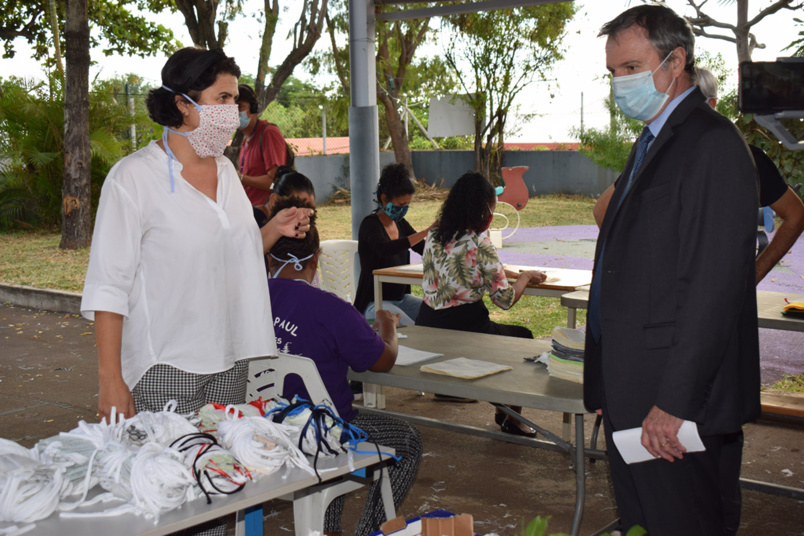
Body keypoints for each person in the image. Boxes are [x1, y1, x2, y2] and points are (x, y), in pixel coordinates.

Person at [584, 6, 760, 535]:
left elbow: (713, 288)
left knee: (684, 524)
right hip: (635, 391)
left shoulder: (712, 144)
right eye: (613, 73)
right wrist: (609, 386)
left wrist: (674, 402)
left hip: (676, 404)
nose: (621, 84)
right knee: (644, 524)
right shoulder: (652, 140)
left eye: (632, 68)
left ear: (675, 60)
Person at [81, 47, 311, 424]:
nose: (233, 111)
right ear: (183, 105)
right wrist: (110, 380)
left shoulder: (226, 173)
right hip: (167, 366)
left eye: (235, 99)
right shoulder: (133, 178)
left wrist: (274, 228)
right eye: (222, 98)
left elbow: (240, 255)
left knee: (221, 473)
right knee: (171, 475)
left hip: (232, 359)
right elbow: (109, 285)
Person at [266, 197, 422, 536]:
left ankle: (329, 527)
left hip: (266, 425)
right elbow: (382, 361)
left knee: (329, 418)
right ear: (317, 257)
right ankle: (369, 531)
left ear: (268, 254)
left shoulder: (251, 296)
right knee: (406, 441)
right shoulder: (330, 307)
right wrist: (387, 326)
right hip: (322, 432)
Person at [416, 171, 547, 436]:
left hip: (427, 324)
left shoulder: (435, 234)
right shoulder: (481, 242)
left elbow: (457, 267)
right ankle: (509, 416)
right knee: (522, 339)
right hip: (464, 329)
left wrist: (500, 270)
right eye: (492, 207)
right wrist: (524, 277)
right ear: (482, 208)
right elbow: (505, 300)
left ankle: (503, 412)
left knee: (500, 341)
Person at [696, 67, 804, 283]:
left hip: (724, 299)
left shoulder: (748, 159)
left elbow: (796, 215)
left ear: (711, 104)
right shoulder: (660, 157)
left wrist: (754, 274)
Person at [354, 163, 433, 325]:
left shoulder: (400, 223)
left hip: (402, 299)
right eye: (400, 205)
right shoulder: (370, 224)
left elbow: (422, 247)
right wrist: (424, 232)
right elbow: (384, 249)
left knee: (435, 316)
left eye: (407, 205)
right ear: (384, 199)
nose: (404, 209)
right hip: (375, 302)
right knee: (415, 329)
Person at [252, 166, 317, 278]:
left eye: (309, 209)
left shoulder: (296, 229)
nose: (303, 215)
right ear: (274, 201)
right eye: (298, 207)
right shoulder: (251, 223)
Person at [236, 83, 289, 206]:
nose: (234, 112)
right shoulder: (246, 139)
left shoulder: (268, 133)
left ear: (253, 108)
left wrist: (242, 178)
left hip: (267, 214)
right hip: (252, 212)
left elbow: (275, 183)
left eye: (239, 107)